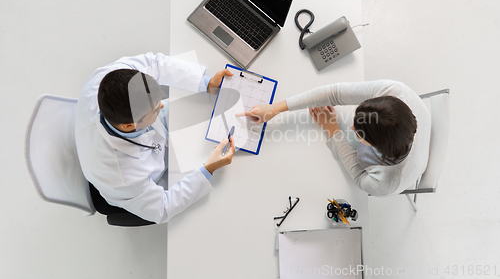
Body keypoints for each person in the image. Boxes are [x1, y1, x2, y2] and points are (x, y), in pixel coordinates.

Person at [75, 52, 235, 224]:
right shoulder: (124, 176)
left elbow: (155, 64)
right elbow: (163, 209)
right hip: (139, 190)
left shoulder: (107, 78)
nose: (162, 105)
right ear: (129, 126)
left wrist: (206, 82)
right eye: (155, 110)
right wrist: (209, 168)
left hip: (156, 140)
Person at [238, 80, 431, 196]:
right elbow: (335, 93)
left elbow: (358, 176)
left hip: (411, 166)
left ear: (377, 148)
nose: (352, 127)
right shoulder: (394, 91)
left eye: (359, 134)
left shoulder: (386, 183)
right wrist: (275, 109)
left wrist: (332, 130)